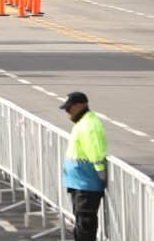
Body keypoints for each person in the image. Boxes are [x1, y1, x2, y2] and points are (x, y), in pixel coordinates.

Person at [61, 91, 107, 241]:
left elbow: (96, 153)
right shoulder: (82, 122)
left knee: (85, 224)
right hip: (80, 182)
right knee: (81, 223)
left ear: (80, 106)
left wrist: (101, 175)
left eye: (69, 108)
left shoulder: (89, 125)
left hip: (86, 183)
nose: (67, 112)